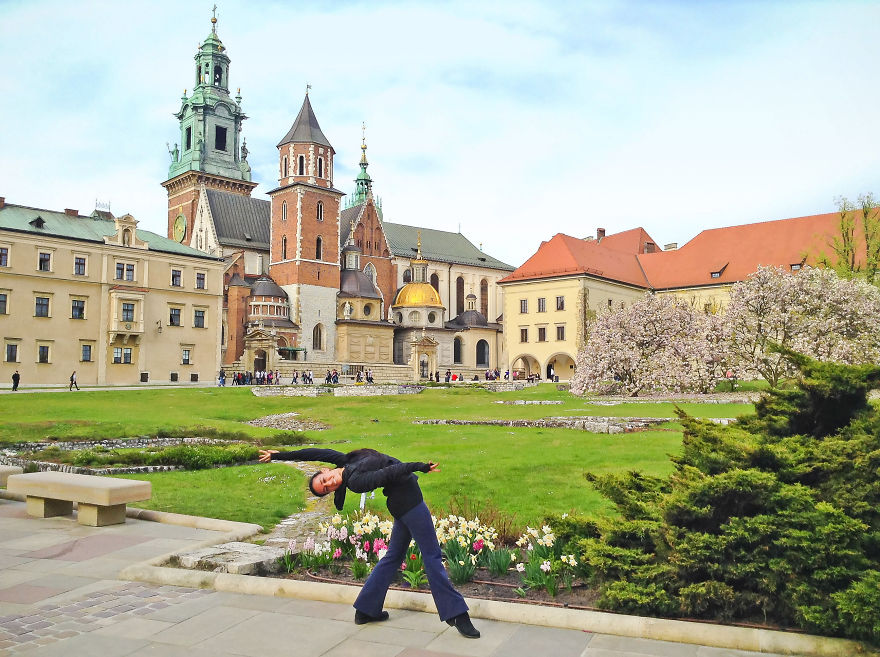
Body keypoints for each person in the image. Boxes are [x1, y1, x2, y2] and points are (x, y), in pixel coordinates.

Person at [258, 446, 480, 639]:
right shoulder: (355, 481)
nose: (330, 483)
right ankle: (457, 615)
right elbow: (390, 472)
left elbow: (314, 452)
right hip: (410, 504)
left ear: (326, 471)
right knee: (431, 557)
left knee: (393, 557)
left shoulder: (346, 461)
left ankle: (365, 609)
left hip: (403, 504)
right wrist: (420, 466)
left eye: (324, 480)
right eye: (326, 489)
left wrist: (280, 455)